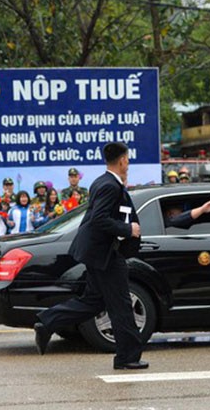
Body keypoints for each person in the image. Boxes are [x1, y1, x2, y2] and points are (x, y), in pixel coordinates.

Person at [34, 142, 147, 370]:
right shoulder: (109, 186)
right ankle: (127, 357)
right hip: (106, 255)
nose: (129, 163)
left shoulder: (102, 182)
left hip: (100, 253)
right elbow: (99, 219)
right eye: (128, 159)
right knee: (121, 304)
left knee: (94, 301)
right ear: (123, 160)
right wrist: (129, 230)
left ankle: (48, 321)